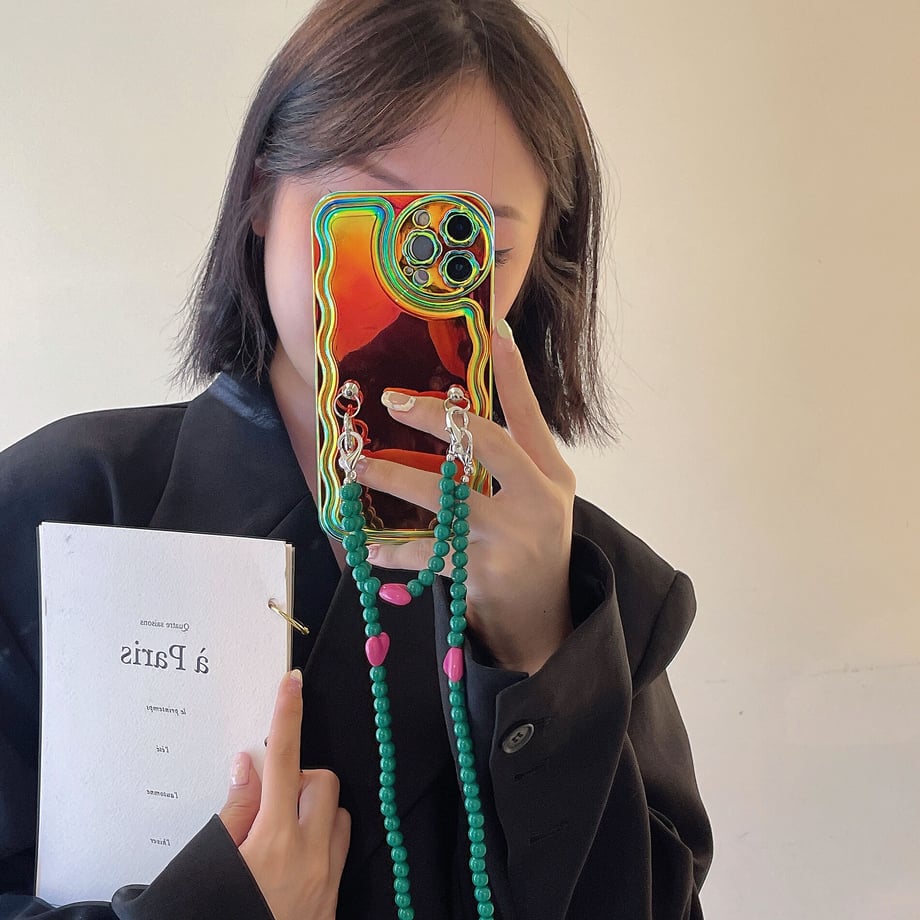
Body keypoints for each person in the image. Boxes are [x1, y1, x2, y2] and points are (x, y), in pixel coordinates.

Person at [0, 1, 713, 917]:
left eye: (472, 249)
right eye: (366, 224)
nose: (407, 296)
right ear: (261, 195)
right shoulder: (64, 504)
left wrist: (544, 652)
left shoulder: (597, 592)